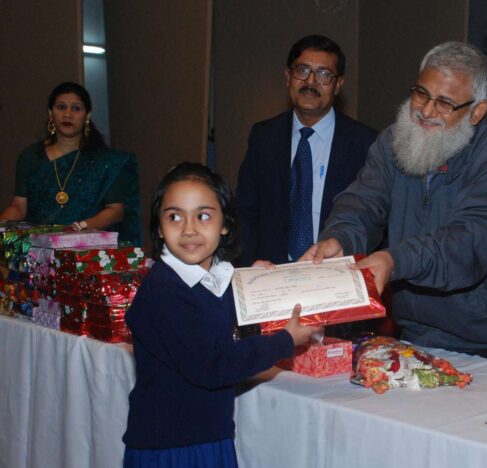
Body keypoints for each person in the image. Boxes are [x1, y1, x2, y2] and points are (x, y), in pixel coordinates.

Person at [302, 41, 487, 362]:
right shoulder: (395, 140)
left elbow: (467, 243)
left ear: (477, 112)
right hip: (416, 333)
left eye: (445, 103)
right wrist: (340, 238)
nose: (426, 111)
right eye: (421, 94)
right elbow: (362, 202)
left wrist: (395, 260)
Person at [123, 163, 319, 466]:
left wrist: (250, 282)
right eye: (174, 216)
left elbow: (216, 303)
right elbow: (212, 365)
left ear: (225, 224)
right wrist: (284, 341)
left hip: (206, 436)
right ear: (159, 227)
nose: (189, 229)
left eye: (203, 216)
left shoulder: (214, 277)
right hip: (172, 447)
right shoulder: (163, 291)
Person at [235, 34, 377, 266]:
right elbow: (246, 211)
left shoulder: (365, 143)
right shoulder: (264, 137)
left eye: (324, 74)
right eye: (302, 70)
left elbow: (374, 217)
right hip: (270, 272)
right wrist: (251, 266)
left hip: (336, 271)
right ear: (288, 77)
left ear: (338, 84)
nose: (311, 82)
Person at [0, 82, 141, 245]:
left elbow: (115, 211)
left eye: (76, 108)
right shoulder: (31, 156)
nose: (67, 114)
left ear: (87, 115)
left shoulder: (106, 161)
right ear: (50, 113)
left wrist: (77, 228)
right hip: (38, 248)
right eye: (61, 107)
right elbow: (18, 207)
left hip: (86, 247)